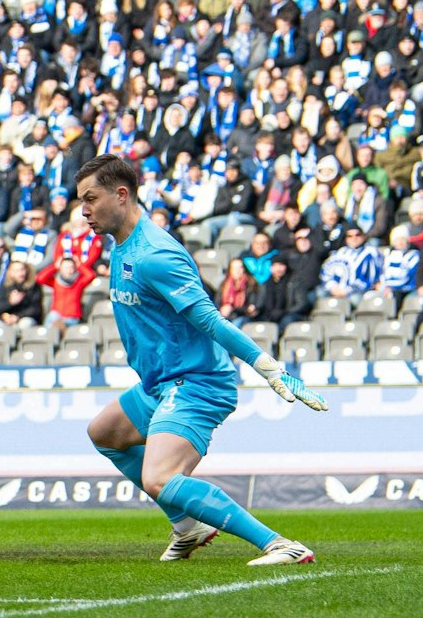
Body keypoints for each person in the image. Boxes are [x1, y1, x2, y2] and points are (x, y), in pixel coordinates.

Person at [74, 154, 323, 565]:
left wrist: (267, 366)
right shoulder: (121, 246)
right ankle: (189, 525)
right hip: (161, 382)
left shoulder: (155, 254)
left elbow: (209, 318)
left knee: (159, 476)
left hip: (196, 382)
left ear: (121, 195)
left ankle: (279, 544)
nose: (84, 210)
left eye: (90, 198)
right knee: (104, 432)